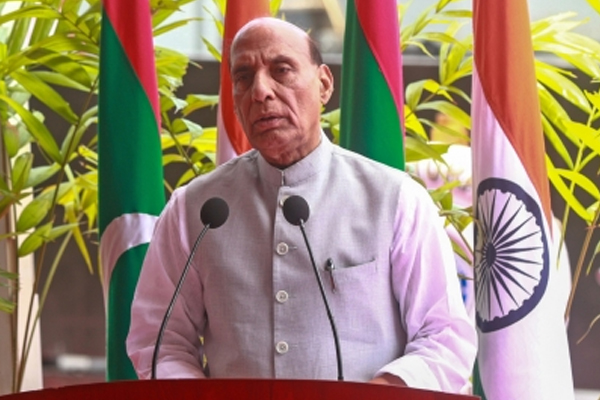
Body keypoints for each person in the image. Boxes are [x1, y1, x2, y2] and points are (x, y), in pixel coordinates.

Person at [126, 17, 476, 393]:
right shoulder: (195, 209)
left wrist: (381, 392)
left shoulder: (394, 199)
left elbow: (444, 337)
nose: (261, 91)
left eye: (282, 70)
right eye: (244, 77)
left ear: (324, 84)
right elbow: (159, 342)